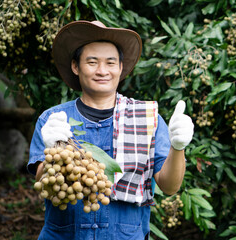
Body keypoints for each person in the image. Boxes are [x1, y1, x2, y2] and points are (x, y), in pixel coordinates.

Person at [27, 20, 194, 239]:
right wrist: (52, 155)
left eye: (110, 62)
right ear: (76, 67)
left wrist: (178, 147)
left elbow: (170, 187)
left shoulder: (147, 118)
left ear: (120, 68)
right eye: (92, 62)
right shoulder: (53, 120)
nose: (102, 71)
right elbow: (44, 186)